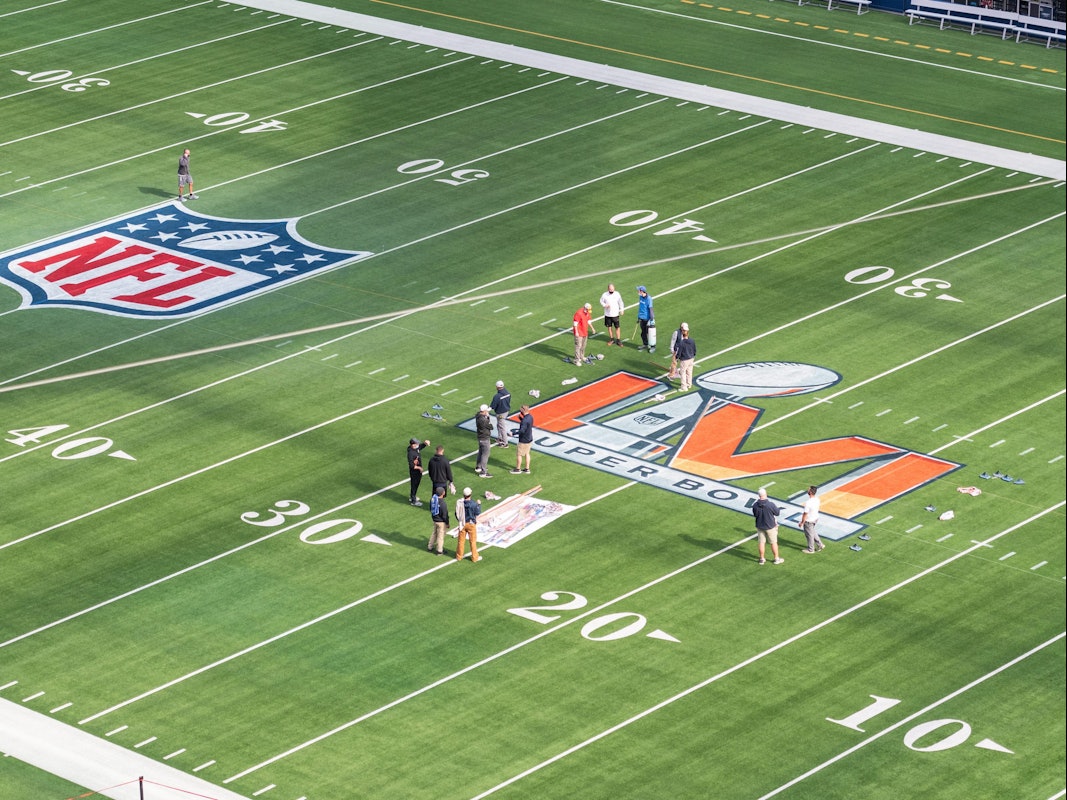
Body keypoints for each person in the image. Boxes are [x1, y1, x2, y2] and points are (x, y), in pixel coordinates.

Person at [753, 488, 783, 565]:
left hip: (760, 526)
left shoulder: (755, 505)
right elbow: (777, 513)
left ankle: (762, 559)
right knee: (773, 543)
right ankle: (776, 558)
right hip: (770, 526)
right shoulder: (770, 504)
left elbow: (755, 515)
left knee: (761, 542)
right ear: (766, 494)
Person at [455, 487, 482, 562]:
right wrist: (479, 504)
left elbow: (456, 513)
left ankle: (459, 556)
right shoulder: (473, 504)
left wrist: (460, 520)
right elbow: (478, 513)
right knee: (472, 541)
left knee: (461, 541)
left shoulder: (460, 503)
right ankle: (474, 557)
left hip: (462, 524)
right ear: (470, 494)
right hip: (471, 524)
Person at [509, 405, 534, 474]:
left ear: (523, 410)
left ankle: (518, 469)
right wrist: (521, 419)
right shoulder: (530, 417)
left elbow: (522, 430)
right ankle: (527, 468)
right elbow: (527, 425)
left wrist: (513, 433)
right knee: (527, 453)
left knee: (519, 454)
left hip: (523, 439)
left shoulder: (525, 420)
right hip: (529, 438)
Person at [800, 485, 825, 553]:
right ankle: (820, 544)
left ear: (810, 492)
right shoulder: (817, 499)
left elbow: (805, 513)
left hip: (809, 520)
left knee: (809, 534)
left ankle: (811, 549)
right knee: (812, 531)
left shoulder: (808, 502)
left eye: (808, 490)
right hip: (815, 518)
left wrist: (802, 522)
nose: (807, 490)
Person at [407, 437, 430, 506]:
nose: (418, 444)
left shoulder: (414, 449)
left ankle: (412, 496)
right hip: (414, 472)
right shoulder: (411, 453)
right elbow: (411, 465)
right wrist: (419, 468)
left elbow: (419, 447)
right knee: (414, 484)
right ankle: (413, 501)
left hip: (417, 471)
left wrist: (425, 444)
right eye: (416, 443)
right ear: (413, 445)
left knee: (415, 484)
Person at [673, 324, 697, 391]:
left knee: (682, 373)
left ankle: (684, 387)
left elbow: (679, 352)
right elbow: (694, 350)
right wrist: (693, 355)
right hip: (691, 358)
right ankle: (689, 384)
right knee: (689, 372)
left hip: (684, 360)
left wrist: (676, 358)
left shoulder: (681, 343)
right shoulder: (692, 340)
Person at [428, 485, 449, 556]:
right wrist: (447, 523)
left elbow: (431, 508)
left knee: (434, 533)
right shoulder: (443, 503)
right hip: (441, 522)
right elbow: (444, 515)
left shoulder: (433, 499)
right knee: (440, 536)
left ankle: (430, 546)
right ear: (443, 493)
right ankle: (439, 551)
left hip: (435, 520)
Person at [490, 380, 511, 447]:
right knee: (499, 425)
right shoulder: (508, 393)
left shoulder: (497, 396)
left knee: (501, 427)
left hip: (500, 413)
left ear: (497, 387)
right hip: (506, 411)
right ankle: (500, 438)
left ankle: (505, 443)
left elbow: (492, 406)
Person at [474, 404, 494, 478]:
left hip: (480, 437)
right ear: (484, 411)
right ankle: (483, 472)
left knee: (481, 452)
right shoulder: (484, 420)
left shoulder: (478, 416)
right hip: (485, 438)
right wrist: (488, 417)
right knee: (485, 455)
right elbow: (491, 427)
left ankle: (478, 467)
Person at [636, 286, 655, 352]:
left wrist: (651, 319)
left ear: (642, 291)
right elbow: (640, 307)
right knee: (643, 333)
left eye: (638, 290)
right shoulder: (640, 297)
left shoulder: (649, 298)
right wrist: (639, 317)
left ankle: (653, 346)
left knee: (650, 333)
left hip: (648, 319)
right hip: (642, 318)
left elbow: (650, 309)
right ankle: (645, 344)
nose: (637, 291)